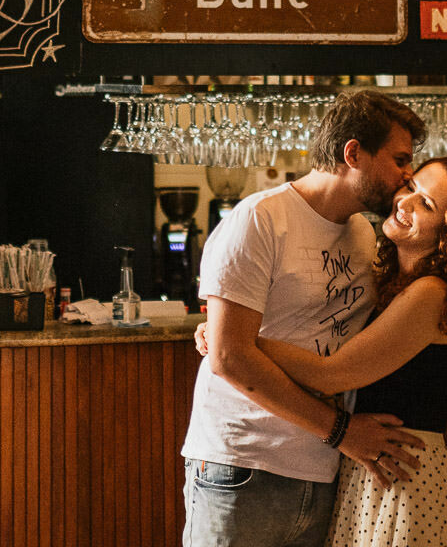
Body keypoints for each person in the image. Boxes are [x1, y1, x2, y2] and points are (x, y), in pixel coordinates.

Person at [205, 156, 447, 547]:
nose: (406, 202)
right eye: (411, 187)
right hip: (382, 469)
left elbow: (330, 374)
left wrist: (234, 338)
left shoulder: (431, 294)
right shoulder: (397, 282)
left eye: (426, 204)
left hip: (403, 481)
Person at [181, 91, 429, 547]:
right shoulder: (259, 219)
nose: (408, 174)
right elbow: (229, 358)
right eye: (400, 159)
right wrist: (342, 432)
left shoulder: (363, 233)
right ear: (353, 153)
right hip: (243, 464)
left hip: (324, 468)